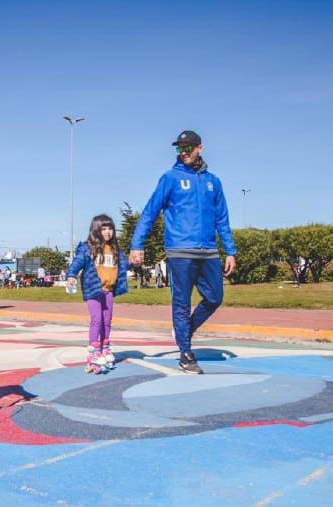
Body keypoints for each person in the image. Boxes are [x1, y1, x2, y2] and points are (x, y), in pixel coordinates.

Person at [129, 130, 237, 375]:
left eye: (188, 147)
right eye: (180, 148)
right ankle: (186, 353)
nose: (184, 152)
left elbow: (222, 218)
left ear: (200, 147)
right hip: (180, 250)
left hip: (208, 250)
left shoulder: (213, 182)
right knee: (181, 301)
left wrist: (230, 250)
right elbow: (150, 211)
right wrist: (138, 244)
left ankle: (183, 331)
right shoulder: (170, 178)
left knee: (215, 297)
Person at [67, 214, 130, 373]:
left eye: (110, 229)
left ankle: (105, 347)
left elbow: (125, 265)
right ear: (96, 230)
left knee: (107, 320)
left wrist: (134, 262)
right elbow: (77, 262)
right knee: (97, 319)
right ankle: (94, 351)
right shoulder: (88, 247)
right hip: (93, 288)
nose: (108, 232)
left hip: (109, 290)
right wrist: (71, 275)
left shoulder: (115, 250)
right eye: (104, 229)